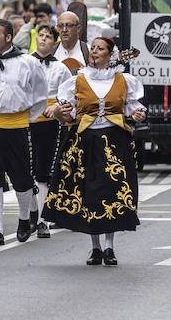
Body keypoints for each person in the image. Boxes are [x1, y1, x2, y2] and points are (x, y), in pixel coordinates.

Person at [43, 37, 145, 266]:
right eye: (93, 48)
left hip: (114, 142)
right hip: (85, 141)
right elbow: (68, 116)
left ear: (110, 54)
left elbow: (133, 108)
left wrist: (138, 114)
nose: (94, 52)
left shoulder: (123, 80)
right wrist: (58, 111)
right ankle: (95, 247)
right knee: (89, 193)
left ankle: (109, 247)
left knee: (111, 193)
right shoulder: (77, 80)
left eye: (100, 49)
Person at [0, 19, 46, 245]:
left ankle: (23, 218)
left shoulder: (27, 62)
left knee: (22, 177)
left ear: (8, 37)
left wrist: (26, 118)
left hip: (17, 125)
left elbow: (40, 96)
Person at [29, 23, 72, 238]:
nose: (43, 39)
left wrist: (57, 107)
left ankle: (43, 220)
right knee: (25, 169)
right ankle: (31, 212)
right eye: (41, 35)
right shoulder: (25, 63)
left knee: (43, 171)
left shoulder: (60, 68)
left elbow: (67, 96)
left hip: (49, 121)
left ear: (55, 44)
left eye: (48, 37)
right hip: (26, 120)